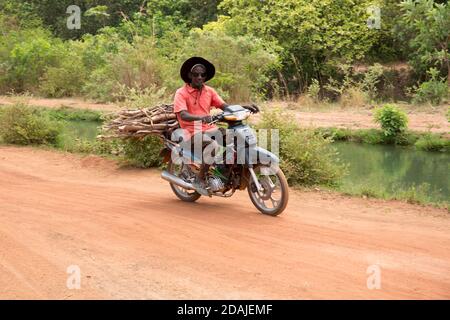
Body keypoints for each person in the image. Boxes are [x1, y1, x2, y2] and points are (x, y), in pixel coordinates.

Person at [173, 56, 258, 195]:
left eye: (203, 75)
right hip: (191, 132)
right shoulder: (181, 93)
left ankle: (223, 171)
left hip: (210, 129)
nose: (200, 77)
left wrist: (244, 107)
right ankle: (199, 180)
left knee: (237, 138)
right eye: (196, 74)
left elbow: (225, 106)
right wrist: (202, 117)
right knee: (212, 146)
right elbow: (183, 115)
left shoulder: (209, 91)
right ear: (189, 75)